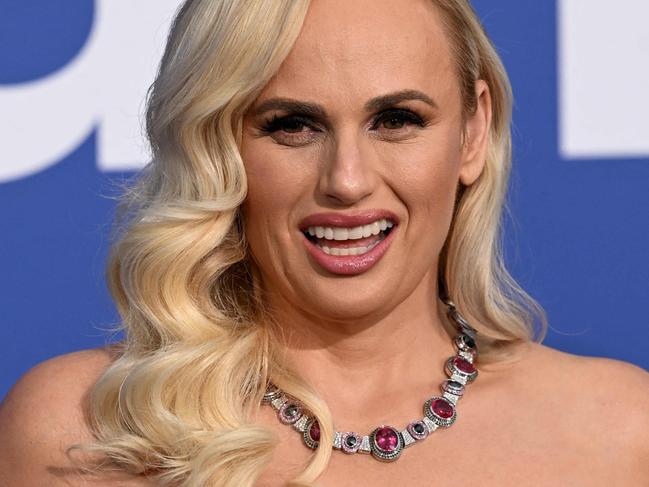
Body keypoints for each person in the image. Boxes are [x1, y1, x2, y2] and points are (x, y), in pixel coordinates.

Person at [1, 0, 648, 485]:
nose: (347, 181)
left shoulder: (619, 433)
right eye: (291, 125)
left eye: (396, 120)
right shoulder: (86, 428)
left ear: (473, 131)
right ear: (216, 149)